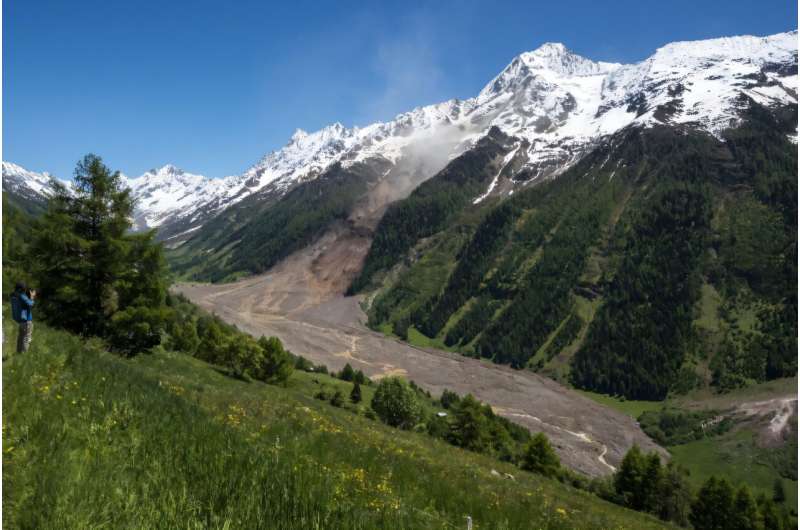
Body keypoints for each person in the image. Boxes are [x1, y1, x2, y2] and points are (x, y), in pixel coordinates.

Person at [10, 282, 35, 353]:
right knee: (26, 338)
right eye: (25, 289)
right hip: (26, 320)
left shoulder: (13, 296)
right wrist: (32, 296)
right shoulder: (22, 296)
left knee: (21, 337)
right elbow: (31, 304)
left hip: (19, 320)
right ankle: (24, 354)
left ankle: (18, 352)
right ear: (22, 289)